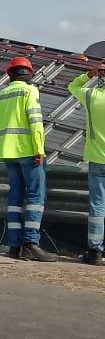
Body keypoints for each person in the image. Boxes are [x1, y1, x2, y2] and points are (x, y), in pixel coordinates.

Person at [0, 56, 57, 261]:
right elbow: (35, 122)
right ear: (29, 74)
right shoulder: (30, 91)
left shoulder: (0, 95)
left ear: (9, 75)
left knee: (14, 198)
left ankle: (14, 246)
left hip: (7, 152)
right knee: (35, 198)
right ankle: (31, 244)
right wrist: (39, 149)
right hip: (28, 151)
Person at [68, 63, 105, 265]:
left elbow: (72, 87)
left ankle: (95, 252)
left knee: (97, 206)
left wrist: (88, 74)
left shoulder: (91, 96)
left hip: (97, 159)